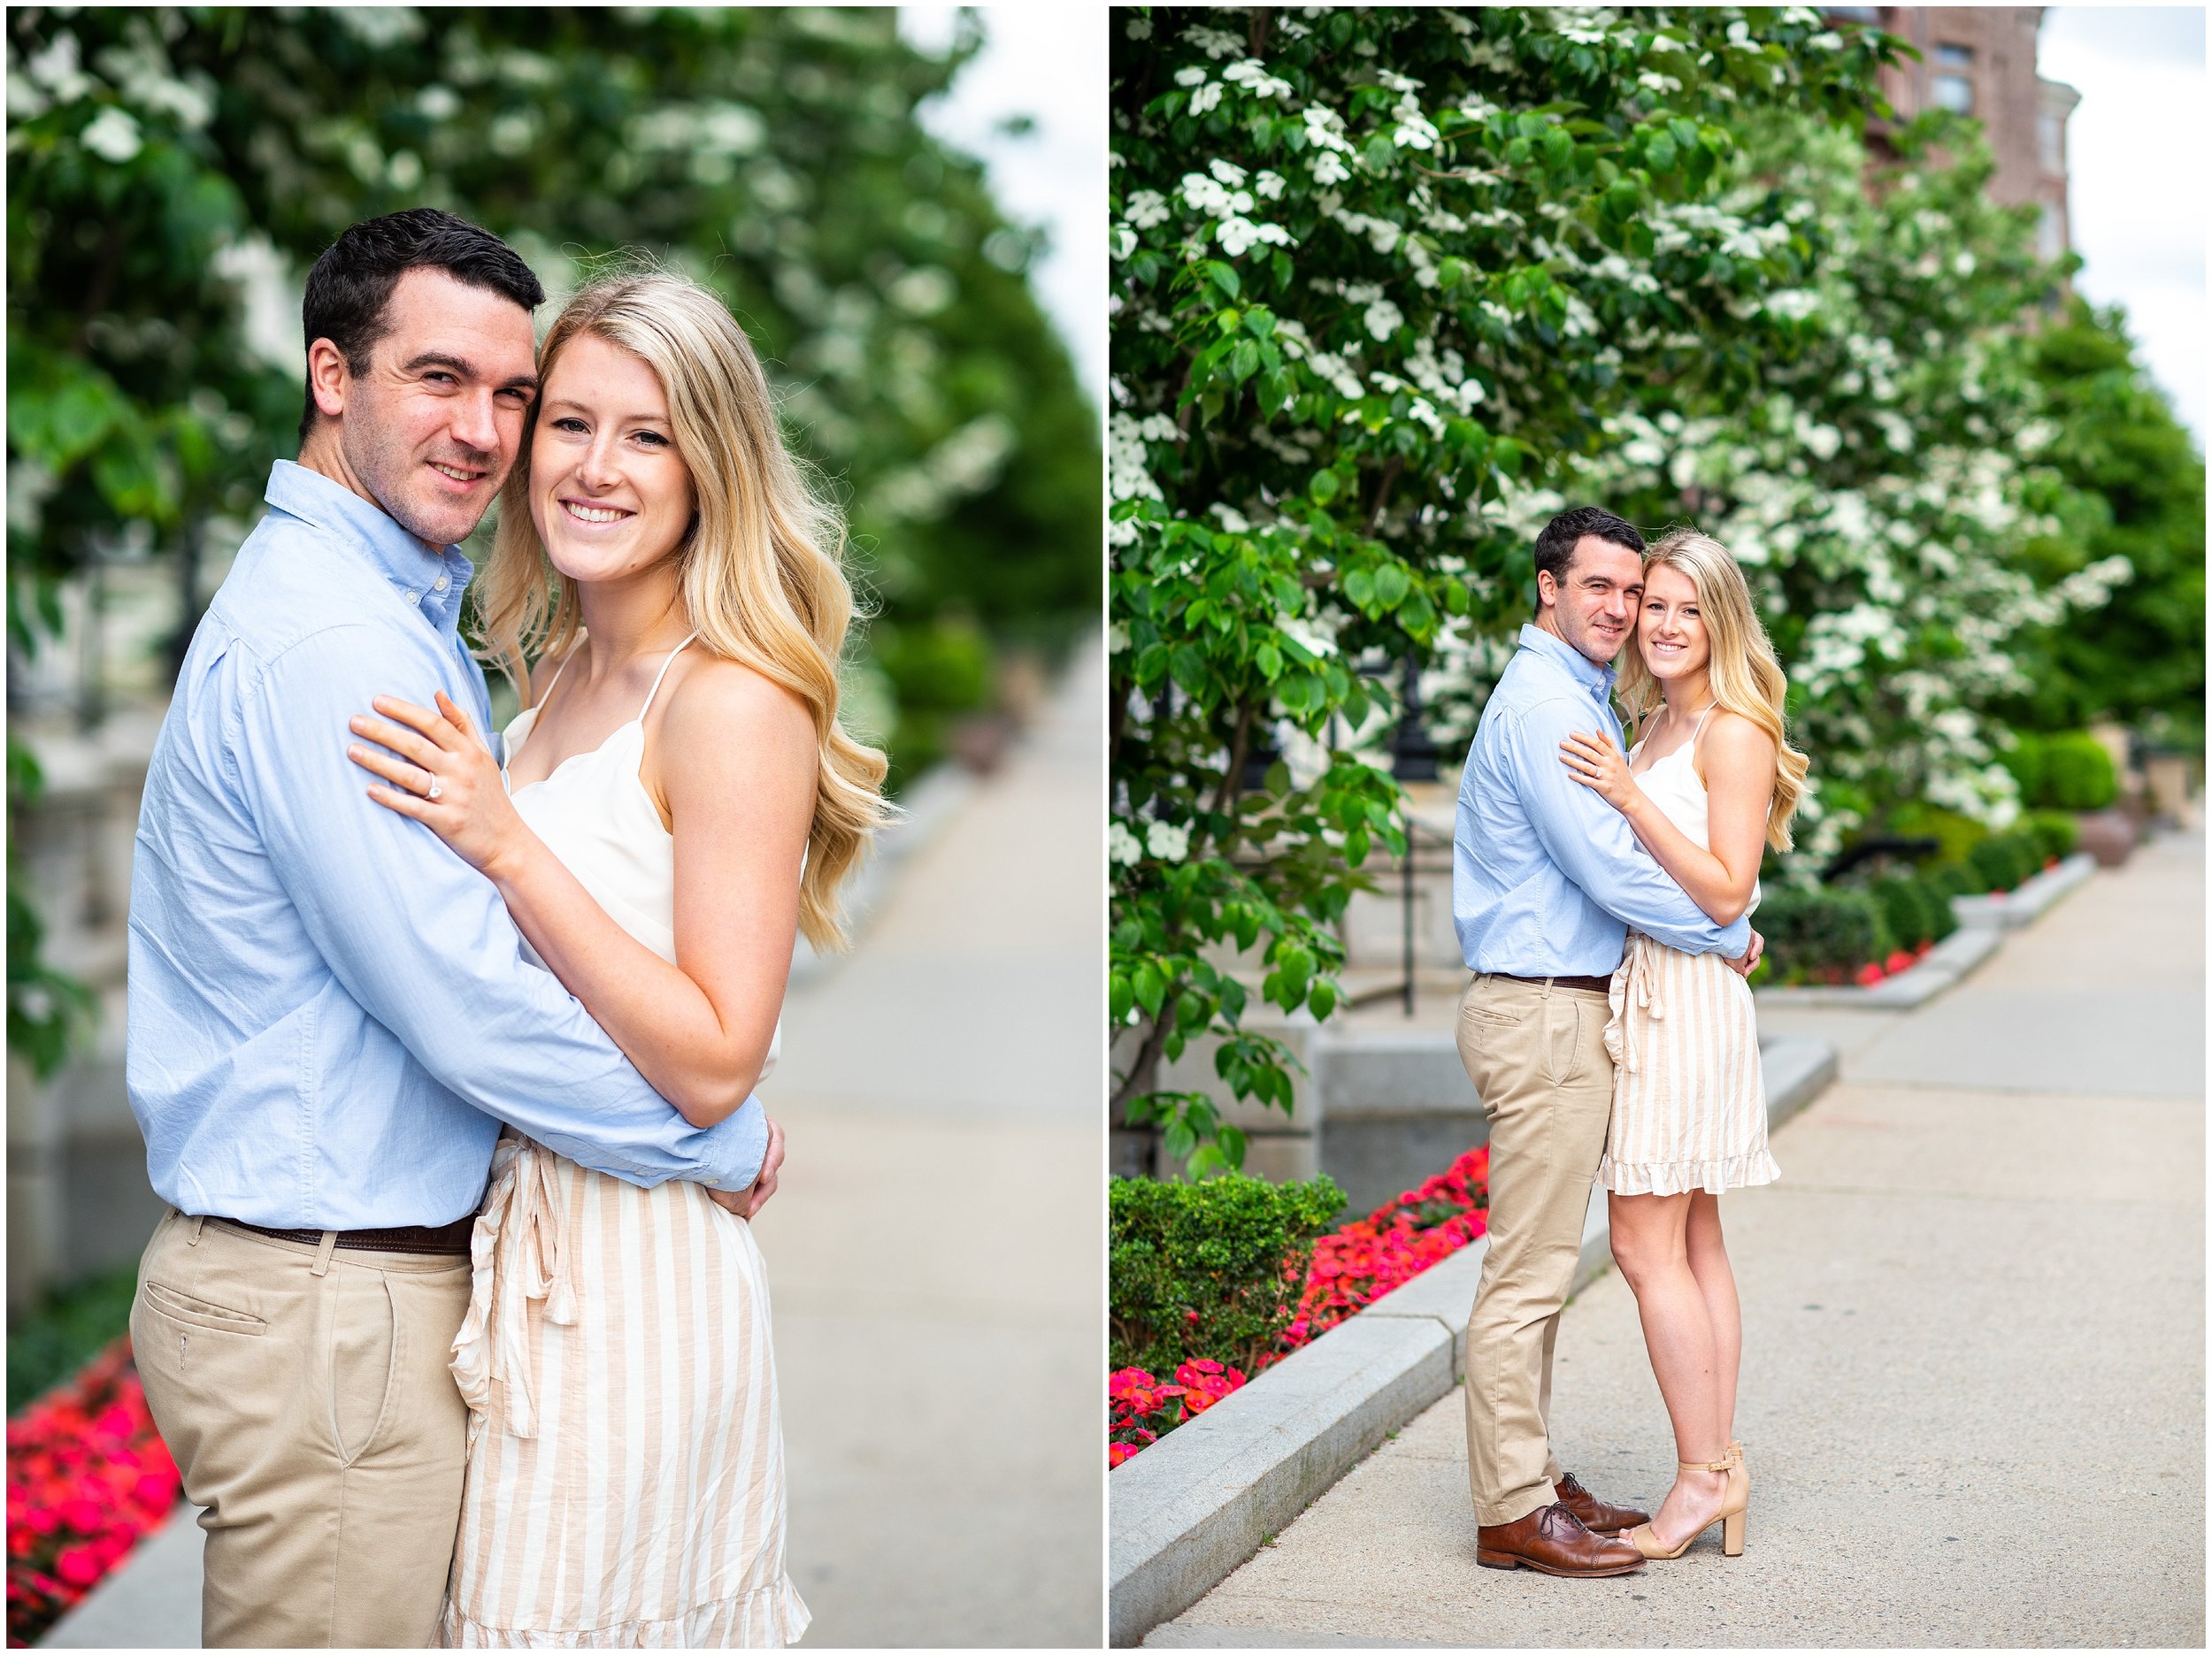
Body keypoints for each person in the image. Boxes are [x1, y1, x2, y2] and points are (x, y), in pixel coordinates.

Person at [126, 211, 780, 1648]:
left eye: (508, 393)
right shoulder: (342, 642)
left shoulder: (413, 617)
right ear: (331, 376)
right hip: (328, 1298)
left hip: (432, 1283)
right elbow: (463, 996)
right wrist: (714, 1143)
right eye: (438, 379)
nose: (486, 430)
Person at [345, 267, 887, 1644]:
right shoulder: (552, 676)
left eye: (646, 434)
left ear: (712, 462)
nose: (593, 467)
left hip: (635, 1275)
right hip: (526, 1246)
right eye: (568, 421)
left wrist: (507, 846)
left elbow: (716, 1056)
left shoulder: (730, 699)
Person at [1450, 505, 1762, 1579]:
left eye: (1642, 594)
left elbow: (1674, 856)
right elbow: (1606, 868)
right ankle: (1513, 1504)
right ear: (1547, 586)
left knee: (1652, 1249)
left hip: (1598, 1000)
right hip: (1544, 1005)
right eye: (1609, 589)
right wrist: (1729, 931)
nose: (1628, 612)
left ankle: (1609, 1475)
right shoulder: (1550, 706)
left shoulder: (1602, 703)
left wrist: (1720, 920)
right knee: (1534, 1275)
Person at [1555, 527, 1804, 1562]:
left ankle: (1701, 1476)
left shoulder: (1729, 732)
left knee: (1642, 1247)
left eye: (1685, 608)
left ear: (1721, 620)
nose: (1660, 624)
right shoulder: (1654, 718)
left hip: (1683, 1004)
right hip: (1661, 981)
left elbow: (1725, 886)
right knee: (1693, 1242)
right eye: (1651, 604)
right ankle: (1720, 1464)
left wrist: (1621, 796)